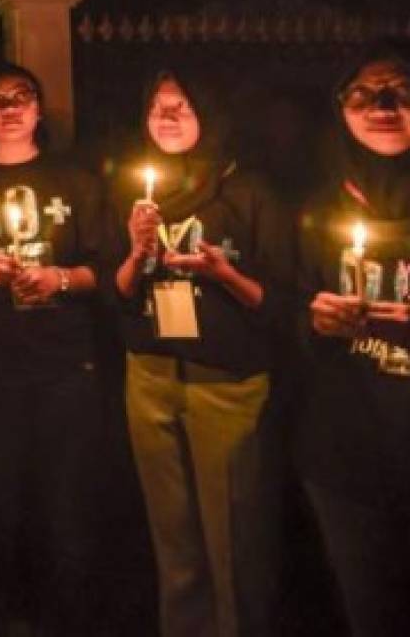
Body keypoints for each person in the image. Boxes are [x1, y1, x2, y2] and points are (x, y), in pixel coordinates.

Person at [109, 69, 290, 637]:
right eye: (157, 107)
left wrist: (225, 274)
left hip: (225, 385)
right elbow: (120, 290)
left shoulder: (248, 192)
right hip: (151, 377)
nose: (166, 117)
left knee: (234, 544)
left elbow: (279, 299)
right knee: (175, 542)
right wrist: (138, 253)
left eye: (181, 105)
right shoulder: (137, 195)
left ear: (209, 114)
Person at [0, 63, 106, 635]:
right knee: (0, 500)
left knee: (66, 508)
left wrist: (60, 280)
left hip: (65, 368)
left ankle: (69, 616)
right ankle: (8, 614)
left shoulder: (76, 181)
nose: (10, 107)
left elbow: (108, 270)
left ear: (39, 111)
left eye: (22, 97)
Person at [297, 45, 410, 636]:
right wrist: (315, 320)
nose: (384, 107)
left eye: (400, 91)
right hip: (350, 458)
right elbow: (293, 312)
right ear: (340, 110)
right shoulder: (324, 207)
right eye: (364, 96)